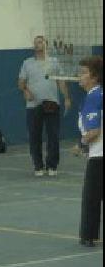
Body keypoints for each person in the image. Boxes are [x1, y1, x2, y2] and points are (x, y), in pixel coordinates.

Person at [18, 35, 72, 177]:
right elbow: (21, 82)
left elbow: (60, 81)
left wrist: (66, 97)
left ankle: (52, 165)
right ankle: (38, 166)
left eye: (40, 42)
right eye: (35, 43)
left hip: (52, 103)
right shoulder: (27, 63)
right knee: (34, 136)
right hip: (33, 105)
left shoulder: (54, 62)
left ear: (46, 45)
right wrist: (25, 91)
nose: (38, 45)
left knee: (53, 136)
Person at [76, 56, 102, 247]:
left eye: (84, 73)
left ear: (94, 77)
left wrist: (81, 144)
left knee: (91, 198)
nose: (80, 76)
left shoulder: (93, 97)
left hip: (99, 156)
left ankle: (88, 235)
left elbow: (93, 131)